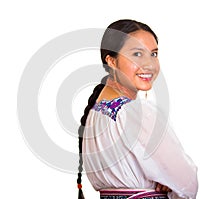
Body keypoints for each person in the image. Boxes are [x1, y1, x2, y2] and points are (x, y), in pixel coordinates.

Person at [77, 19, 198, 199]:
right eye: (137, 54)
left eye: (154, 54)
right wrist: (169, 184)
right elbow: (188, 183)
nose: (149, 64)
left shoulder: (94, 113)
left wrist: (166, 179)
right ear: (112, 61)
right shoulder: (137, 113)